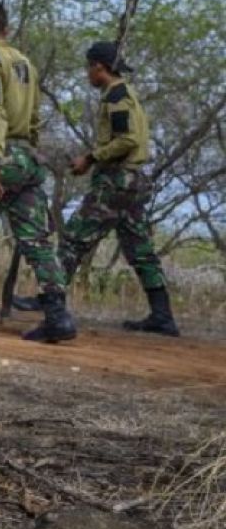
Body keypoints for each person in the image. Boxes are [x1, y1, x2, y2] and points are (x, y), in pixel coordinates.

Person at [0, 0, 75, 343]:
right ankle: (58, 317)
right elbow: (34, 115)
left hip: (1, 156)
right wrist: (29, 153)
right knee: (37, 240)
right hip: (26, 156)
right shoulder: (25, 64)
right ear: (5, 30)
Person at [59, 42, 179, 337]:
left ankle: (50, 302)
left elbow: (126, 141)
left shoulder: (116, 96)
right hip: (132, 181)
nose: (87, 73)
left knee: (74, 237)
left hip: (115, 180)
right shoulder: (126, 94)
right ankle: (162, 316)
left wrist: (90, 157)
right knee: (139, 248)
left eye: (89, 67)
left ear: (99, 66)